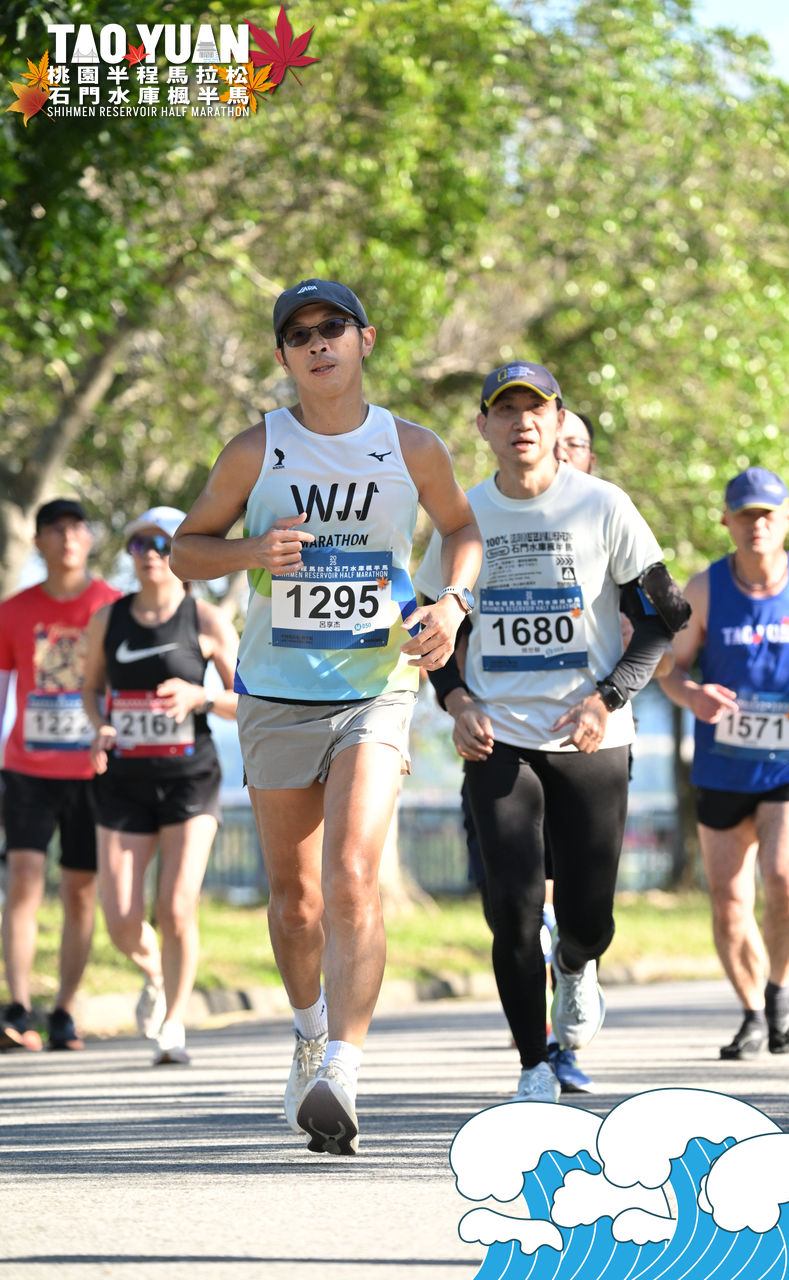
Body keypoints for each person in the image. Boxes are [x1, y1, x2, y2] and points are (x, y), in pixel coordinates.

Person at [169, 278, 481, 1155]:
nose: (317, 343)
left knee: (351, 873)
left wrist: (452, 603)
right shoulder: (255, 449)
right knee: (297, 899)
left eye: (332, 327)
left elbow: (461, 530)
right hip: (275, 690)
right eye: (299, 333)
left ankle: (342, 1068)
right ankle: (308, 1032)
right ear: (283, 356)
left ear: (363, 339)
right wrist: (249, 549)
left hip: (376, 685)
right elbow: (185, 551)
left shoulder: (411, 447)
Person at [415, 361, 688, 1103]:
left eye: (534, 409)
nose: (521, 423)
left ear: (558, 420)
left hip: (589, 735)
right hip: (498, 738)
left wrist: (609, 697)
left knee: (588, 919)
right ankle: (534, 1065)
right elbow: (425, 621)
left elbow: (666, 615)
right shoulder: (463, 518)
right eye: (504, 411)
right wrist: (455, 699)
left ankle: (574, 964)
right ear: (483, 426)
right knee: (511, 910)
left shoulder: (603, 505)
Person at [658, 467, 789, 1059]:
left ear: (787, 518)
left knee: (786, 881)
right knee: (729, 902)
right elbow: (671, 668)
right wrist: (693, 695)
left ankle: (780, 992)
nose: (757, 525)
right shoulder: (703, 589)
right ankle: (750, 1012)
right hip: (722, 766)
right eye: (745, 514)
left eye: (768, 514)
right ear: (727, 520)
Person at [81, 507, 239, 1066]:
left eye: (165, 543)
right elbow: (90, 688)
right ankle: (156, 973)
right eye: (141, 543)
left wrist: (202, 697)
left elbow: (248, 701)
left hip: (189, 779)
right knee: (122, 920)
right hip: (123, 780)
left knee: (175, 908)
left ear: (185, 552)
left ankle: (173, 1022)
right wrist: (100, 725)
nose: (152, 553)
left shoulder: (207, 619)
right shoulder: (108, 619)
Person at [0, 498, 120, 1052]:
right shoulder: (14, 610)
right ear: (38, 542)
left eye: (77, 528)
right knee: (24, 878)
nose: (68, 538)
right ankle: (18, 1007)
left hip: (94, 770)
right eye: (56, 529)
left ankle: (65, 1010)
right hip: (27, 768)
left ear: (89, 539)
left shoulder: (113, 605)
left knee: (79, 889)